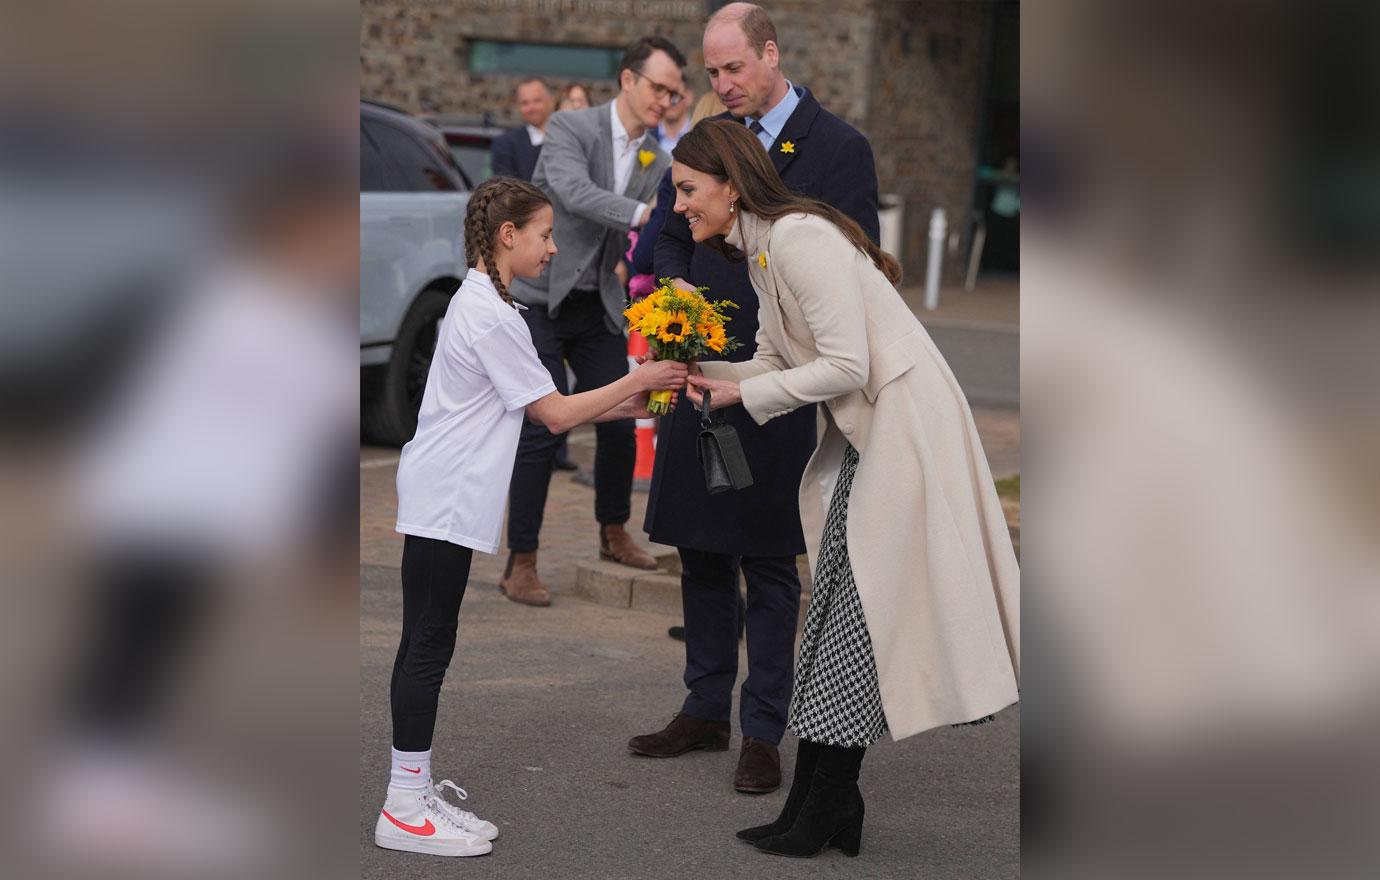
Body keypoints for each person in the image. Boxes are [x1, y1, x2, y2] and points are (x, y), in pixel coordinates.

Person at [674, 119, 1020, 858]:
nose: (679, 205)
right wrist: (705, 374)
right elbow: (772, 358)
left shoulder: (799, 241)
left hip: (905, 430)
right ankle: (825, 803)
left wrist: (740, 398)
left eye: (687, 189)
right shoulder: (764, 250)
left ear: (730, 188)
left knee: (856, 619)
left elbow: (847, 366)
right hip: (874, 436)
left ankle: (825, 803)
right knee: (836, 607)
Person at [376, 178, 686, 857]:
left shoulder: (486, 303)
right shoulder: (490, 315)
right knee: (427, 645)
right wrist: (639, 380)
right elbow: (554, 412)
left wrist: (641, 402)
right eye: (545, 234)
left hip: (444, 492)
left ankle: (414, 789)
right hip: (445, 496)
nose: (554, 247)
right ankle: (403, 805)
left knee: (429, 642)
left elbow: (548, 403)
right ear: (508, 236)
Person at [629, 2, 879, 797]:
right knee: (701, 549)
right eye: (711, 72)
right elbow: (668, 231)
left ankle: (763, 728)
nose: (721, 83)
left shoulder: (839, 147)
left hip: (781, 386)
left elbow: (857, 260)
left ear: (771, 55)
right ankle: (704, 707)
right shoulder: (702, 140)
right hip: (699, 372)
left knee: (770, 562)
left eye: (733, 68)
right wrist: (672, 292)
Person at [500, 36, 686, 607]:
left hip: (598, 303)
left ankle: (613, 532)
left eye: (674, 92)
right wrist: (643, 213)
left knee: (620, 419)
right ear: (628, 80)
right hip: (541, 298)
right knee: (542, 428)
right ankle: (521, 561)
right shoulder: (569, 128)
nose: (666, 100)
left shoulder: (658, 155)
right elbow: (573, 193)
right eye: (658, 87)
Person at [490, 78, 555, 182]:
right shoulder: (505, 145)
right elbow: (506, 190)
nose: (531, 107)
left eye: (537, 101)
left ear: (551, 101)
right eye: (525, 103)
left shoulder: (568, 138)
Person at [653, 83, 695, 152]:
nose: (668, 102)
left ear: (688, 97)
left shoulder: (702, 137)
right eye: (663, 96)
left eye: (675, 96)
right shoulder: (643, 137)